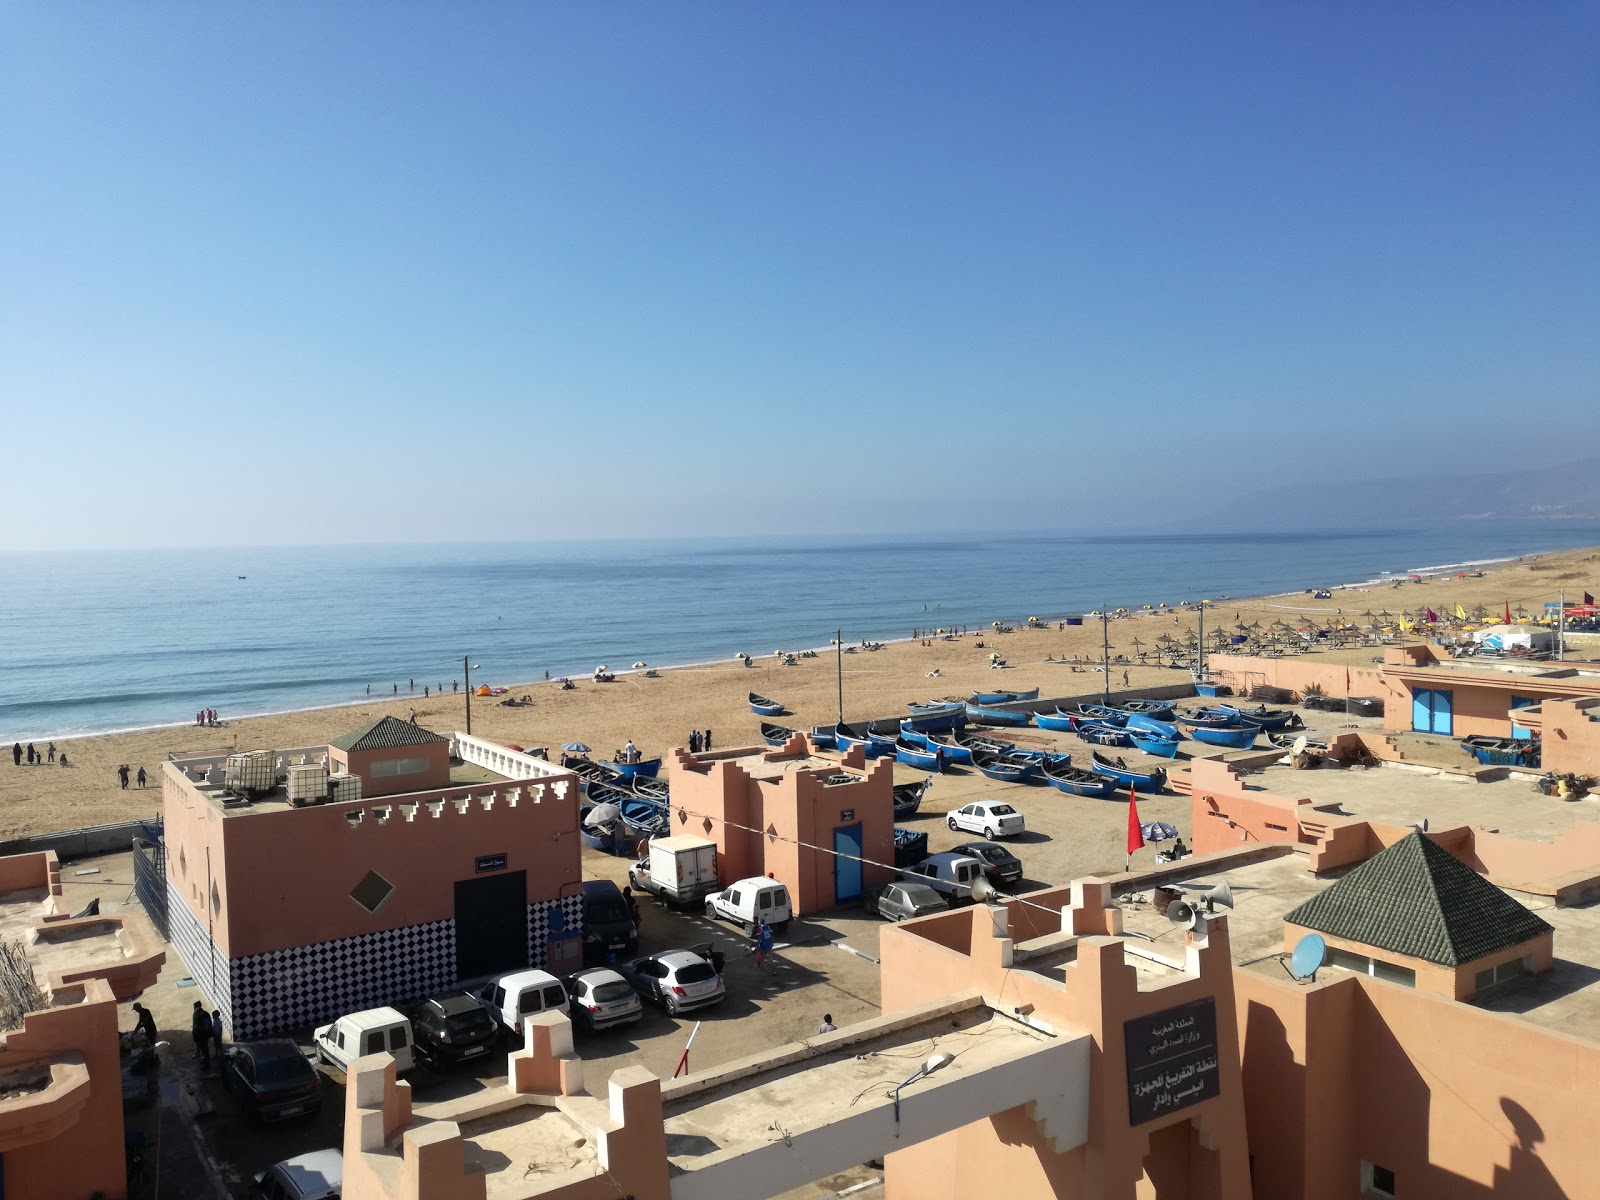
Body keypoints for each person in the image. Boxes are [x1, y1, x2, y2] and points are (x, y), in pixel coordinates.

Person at [191, 1001, 212, 1069]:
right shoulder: (197, 1014)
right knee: (203, 1050)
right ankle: (204, 1060)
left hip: (203, 1036)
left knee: (205, 1050)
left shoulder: (204, 1015)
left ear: (196, 1007)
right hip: (198, 1036)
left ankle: (207, 1065)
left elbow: (206, 1027)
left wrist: (197, 1027)